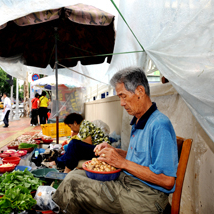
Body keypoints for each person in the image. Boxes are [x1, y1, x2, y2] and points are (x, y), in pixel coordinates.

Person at [52, 67, 178, 213]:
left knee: (73, 184)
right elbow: (140, 159)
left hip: (146, 197)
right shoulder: (139, 121)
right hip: (129, 184)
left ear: (140, 91)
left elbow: (168, 181)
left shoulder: (159, 125)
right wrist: (115, 151)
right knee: (75, 174)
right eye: (119, 97)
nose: (121, 103)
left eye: (123, 96)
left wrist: (122, 162)